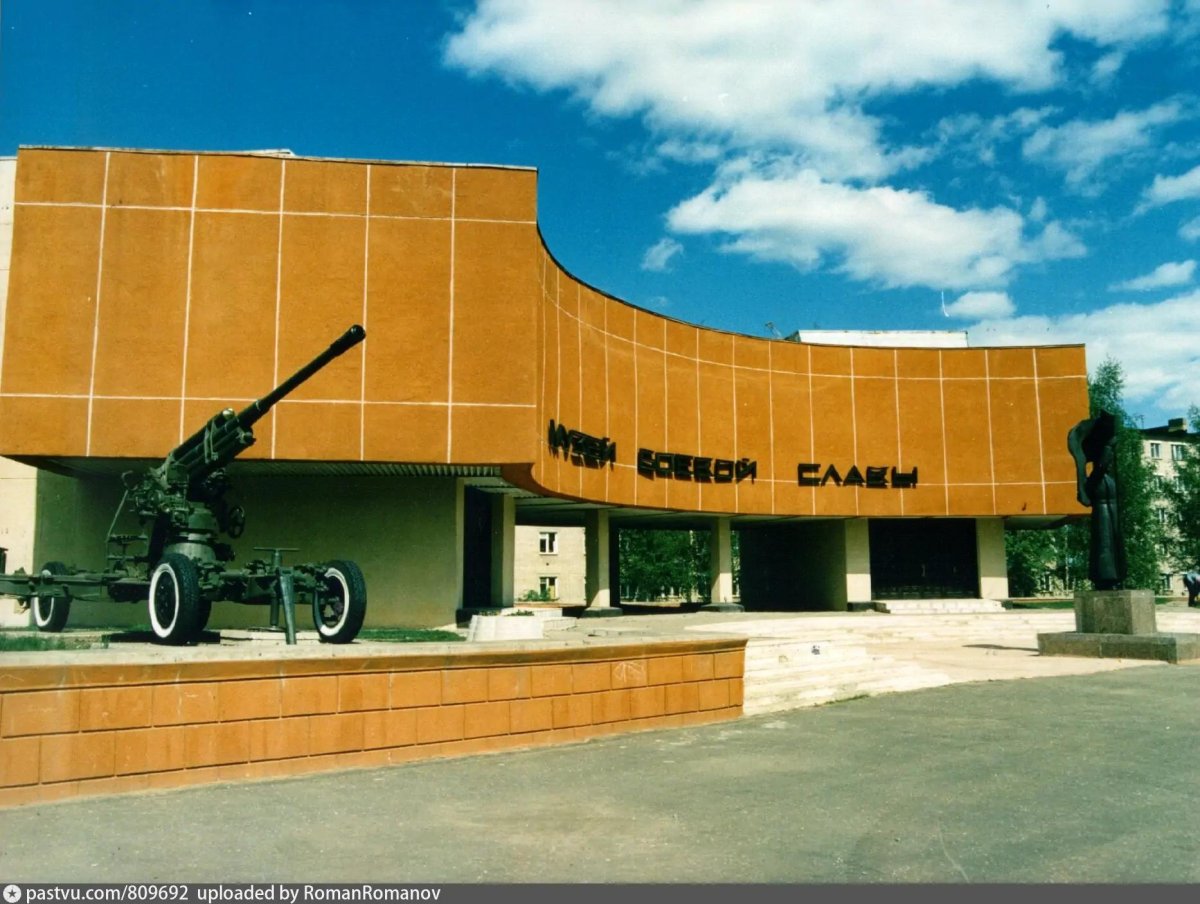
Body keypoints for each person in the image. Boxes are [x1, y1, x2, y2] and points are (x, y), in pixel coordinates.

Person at [1068, 411, 1125, 590]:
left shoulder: (1109, 479)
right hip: (1103, 514)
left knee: (1113, 545)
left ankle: (1116, 577)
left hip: (1112, 514)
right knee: (1104, 545)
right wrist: (1108, 448)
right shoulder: (1097, 478)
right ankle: (1105, 578)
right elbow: (1100, 467)